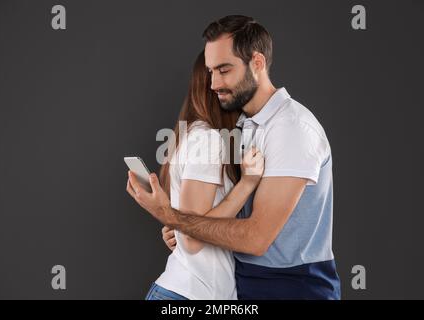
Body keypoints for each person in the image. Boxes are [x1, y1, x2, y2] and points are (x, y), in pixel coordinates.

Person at [127, 15, 341, 299]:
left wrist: (176, 219)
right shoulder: (240, 126)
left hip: (293, 287)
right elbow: (220, 219)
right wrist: (185, 230)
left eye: (224, 70)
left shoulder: (291, 128)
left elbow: (255, 238)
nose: (214, 83)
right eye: (210, 71)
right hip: (246, 286)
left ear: (257, 63)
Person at [128, 51, 265, 300]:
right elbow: (192, 239)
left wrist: (176, 228)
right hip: (190, 295)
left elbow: (189, 225)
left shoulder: (194, 133)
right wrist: (246, 184)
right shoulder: (207, 139)